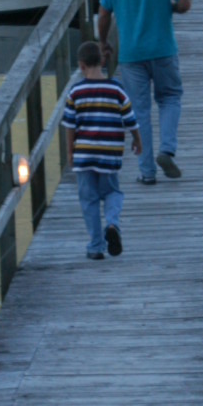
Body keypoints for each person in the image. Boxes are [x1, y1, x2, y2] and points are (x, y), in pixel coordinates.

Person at [97, 0, 191, 183]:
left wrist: (103, 42)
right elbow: (185, 3)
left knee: (139, 111)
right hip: (162, 49)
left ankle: (147, 172)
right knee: (170, 97)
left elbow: (104, 14)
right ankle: (167, 150)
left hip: (130, 55)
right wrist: (169, 7)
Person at [60, 39, 140, 259]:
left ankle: (96, 246)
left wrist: (70, 153)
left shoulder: (75, 92)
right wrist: (137, 140)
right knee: (113, 191)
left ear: (82, 65)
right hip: (109, 154)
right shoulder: (116, 89)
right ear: (102, 60)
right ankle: (112, 225)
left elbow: (70, 126)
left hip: (84, 154)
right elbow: (130, 119)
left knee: (89, 199)